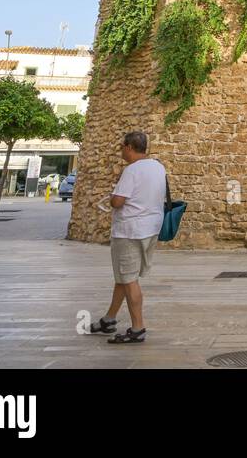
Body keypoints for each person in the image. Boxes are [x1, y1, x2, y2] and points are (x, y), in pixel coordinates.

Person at [89, 131, 167, 344]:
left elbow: (117, 202)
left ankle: (137, 328)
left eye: (122, 146)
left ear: (130, 147)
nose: (121, 150)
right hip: (151, 227)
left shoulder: (131, 171)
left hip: (130, 231)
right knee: (125, 276)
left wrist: (113, 195)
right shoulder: (158, 166)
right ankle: (109, 319)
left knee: (129, 279)